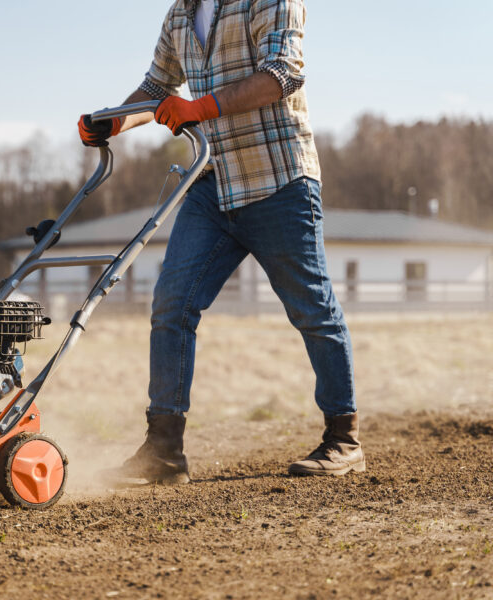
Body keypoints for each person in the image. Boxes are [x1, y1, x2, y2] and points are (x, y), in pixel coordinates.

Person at [78, 0, 364, 482]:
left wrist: (201, 108)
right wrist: (113, 120)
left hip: (278, 181)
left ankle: (344, 439)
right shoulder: (179, 15)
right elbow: (156, 87)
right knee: (171, 305)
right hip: (213, 185)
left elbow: (282, 75)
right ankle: (163, 452)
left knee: (312, 310)